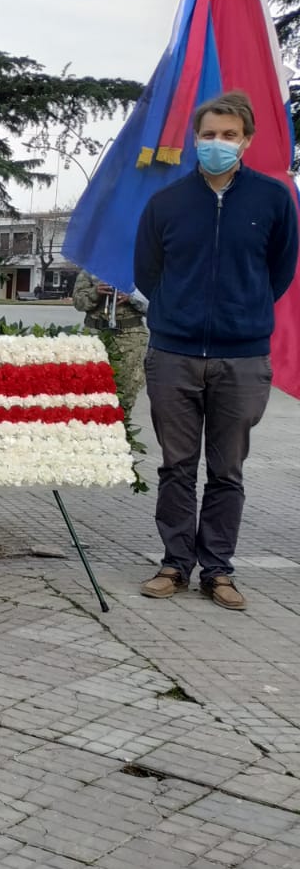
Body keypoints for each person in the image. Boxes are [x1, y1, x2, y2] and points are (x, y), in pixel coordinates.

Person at [134, 91, 297, 611]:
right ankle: (174, 564)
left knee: (227, 470)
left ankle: (218, 570)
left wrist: (240, 313)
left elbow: (279, 270)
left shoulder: (273, 200)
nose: (218, 144)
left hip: (243, 358)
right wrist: (180, 313)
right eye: (209, 135)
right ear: (194, 139)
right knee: (176, 466)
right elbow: (148, 273)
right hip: (173, 355)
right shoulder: (166, 203)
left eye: (229, 135)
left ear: (246, 140)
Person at [72, 270, 148, 413]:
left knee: (125, 396)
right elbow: (78, 303)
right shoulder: (92, 269)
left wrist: (131, 297)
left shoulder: (142, 268)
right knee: (89, 394)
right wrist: (95, 292)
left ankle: (121, 430)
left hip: (130, 340)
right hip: (95, 337)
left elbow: (155, 304)